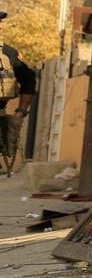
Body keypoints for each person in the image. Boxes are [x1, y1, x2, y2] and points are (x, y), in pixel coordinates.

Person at [0, 12, 36, 176]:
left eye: (0, 22)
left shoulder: (8, 53)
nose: (1, 25)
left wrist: (21, 110)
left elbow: (28, 79)